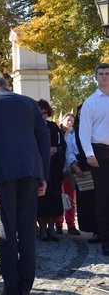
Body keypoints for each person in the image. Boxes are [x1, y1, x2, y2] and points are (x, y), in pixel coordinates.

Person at [0, 76, 50, 295]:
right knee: (27, 229)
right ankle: (25, 285)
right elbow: (44, 139)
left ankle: (11, 287)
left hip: (2, 173)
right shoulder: (29, 103)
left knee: (7, 230)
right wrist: (43, 176)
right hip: (30, 171)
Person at [79, 63, 109, 256]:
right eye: (101, 74)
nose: (105, 76)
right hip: (99, 154)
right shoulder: (91, 102)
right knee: (103, 199)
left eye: (107, 73)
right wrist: (90, 155)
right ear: (96, 77)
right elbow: (84, 132)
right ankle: (106, 241)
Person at [66, 104, 100, 243]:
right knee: (89, 201)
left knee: (102, 199)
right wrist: (75, 167)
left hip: (101, 168)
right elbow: (70, 151)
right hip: (83, 171)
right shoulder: (74, 133)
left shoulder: (99, 129)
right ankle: (96, 231)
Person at [36, 99, 66, 242]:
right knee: (41, 200)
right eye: (39, 113)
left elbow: (63, 145)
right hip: (39, 168)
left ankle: (52, 229)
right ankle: (42, 229)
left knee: (54, 199)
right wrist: (44, 151)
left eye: (44, 113)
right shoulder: (32, 127)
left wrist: (56, 149)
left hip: (54, 169)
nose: (42, 116)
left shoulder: (54, 127)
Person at [55, 112, 81, 236]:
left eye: (72, 121)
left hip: (70, 171)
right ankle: (58, 224)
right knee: (59, 198)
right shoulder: (57, 133)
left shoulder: (74, 135)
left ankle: (71, 224)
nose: (70, 122)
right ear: (63, 120)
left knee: (70, 198)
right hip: (58, 170)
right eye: (68, 120)